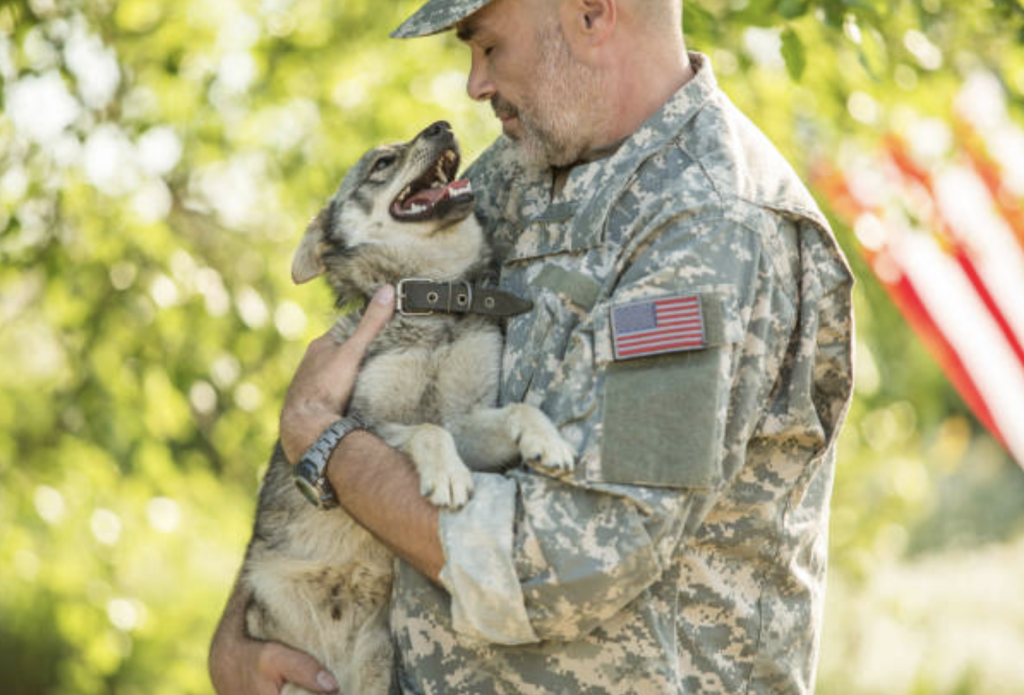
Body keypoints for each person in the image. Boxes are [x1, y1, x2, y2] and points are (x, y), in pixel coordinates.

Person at [209, 0, 855, 693]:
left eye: (488, 47)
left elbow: (567, 562)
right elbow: (344, 396)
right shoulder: (521, 172)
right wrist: (242, 634)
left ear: (590, 13)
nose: (474, 85)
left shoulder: (709, 226)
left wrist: (328, 446)